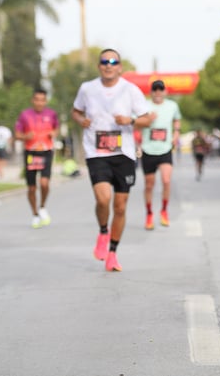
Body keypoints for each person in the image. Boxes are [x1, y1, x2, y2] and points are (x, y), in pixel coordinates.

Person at [72, 48, 152, 272]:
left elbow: (147, 119)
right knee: (103, 198)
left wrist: (131, 120)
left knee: (120, 206)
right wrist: (81, 120)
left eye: (113, 61)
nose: (108, 65)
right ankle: (103, 231)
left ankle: (113, 253)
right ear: (99, 66)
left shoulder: (130, 90)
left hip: (123, 154)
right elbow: (75, 111)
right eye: (104, 61)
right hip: (96, 152)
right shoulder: (87, 88)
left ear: (120, 67)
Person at [14, 88, 59, 228]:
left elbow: (56, 128)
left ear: (45, 101)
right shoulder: (24, 115)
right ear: (32, 100)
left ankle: (42, 206)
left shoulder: (52, 114)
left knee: (44, 183)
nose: (39, 103)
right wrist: (25, 137)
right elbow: (17, 134)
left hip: (46, 151)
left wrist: (53, 133)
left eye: (42, 100)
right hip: (31, 153)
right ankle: (34, 214)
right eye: (37, 100)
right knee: (32, 187)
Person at [140, 80, 181, 230]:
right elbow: (134, 123)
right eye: (155, 89)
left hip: (165, 149)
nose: (158, 92)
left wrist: (176, 133)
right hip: (148, 149)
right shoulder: (144, 105)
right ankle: (149, 213)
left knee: (166, 180)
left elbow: (177, 120)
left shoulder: (172, 106)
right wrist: (147, 120)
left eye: (160, 89)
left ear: (165, 91)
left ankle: (164, 211)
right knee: (149, 184)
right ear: (151, 92)